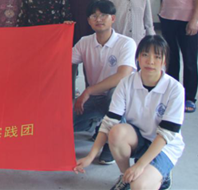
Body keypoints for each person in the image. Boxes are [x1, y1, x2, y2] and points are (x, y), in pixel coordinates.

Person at [75, 35, 185, 190]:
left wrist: (139, 166)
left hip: (163, 147)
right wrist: (90, 156)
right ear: (137, 58)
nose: (150, 61)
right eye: (145, 55)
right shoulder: (127, 83)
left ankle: (162, 175)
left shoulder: (174, 89)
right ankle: (125, 176)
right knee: (116, 132)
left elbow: (166, 134)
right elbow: (109, 122)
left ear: (165, 61)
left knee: (139, 186)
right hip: (138, 138)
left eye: (157, 57)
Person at [72, 0, 137, 164]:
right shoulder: (84, 42)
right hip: (94, 99)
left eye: (103, 15)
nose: (98, 19)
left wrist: (88, 91)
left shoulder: (126, 43)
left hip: (118, 100)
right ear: (88, 21)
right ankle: (97, 125)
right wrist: (62, 31)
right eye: (93, 16)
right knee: (63, 124)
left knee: (115, 94)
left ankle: (111, 142)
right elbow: (61, 60)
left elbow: (123, 75)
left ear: (112, 18)